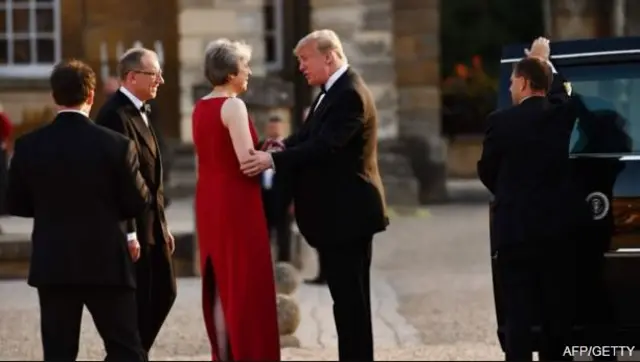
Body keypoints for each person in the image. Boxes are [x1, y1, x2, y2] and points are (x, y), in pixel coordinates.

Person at [240, 29, 388, 361]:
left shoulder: (349, 93)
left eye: (305, 59)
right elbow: (306, 136)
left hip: (348, 213)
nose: (302, 67)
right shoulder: (329, 92)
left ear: (329, 56)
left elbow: (326, 147)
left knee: (352, 302)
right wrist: (280, 146)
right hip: (337, 214)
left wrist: (272, 160)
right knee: (345, 301)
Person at [6, 59, 150, 361]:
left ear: (54, 95)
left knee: (59, 353)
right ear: (91, 95)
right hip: (106, 259)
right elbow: (137, 201)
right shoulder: (117, 145)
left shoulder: (29, 145)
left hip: (54, 261)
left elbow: (14, 203)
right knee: (126, 349)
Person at [477, 37, 579, 361]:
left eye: (511, 82)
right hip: (554, 232)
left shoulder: (500, 122)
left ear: (522, 82)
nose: (509, 89)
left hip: (515, 231)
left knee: (518, 318)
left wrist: (508, 190)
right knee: (555, 316)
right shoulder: (561, 114)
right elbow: (563, 90)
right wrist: (543, 61)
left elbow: (486, 170)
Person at [191, 38, 280, 361]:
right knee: (244, 283)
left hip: (209, 199)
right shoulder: (234, 105)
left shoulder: (200, 107)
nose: (249, 73)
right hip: (236, 201)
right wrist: (274, 153)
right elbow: (247, 161)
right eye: (245, 67)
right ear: (230, 73)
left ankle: (225, 356)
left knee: (220, 285)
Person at [96, 48, 177, 357]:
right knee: (141, 301)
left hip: (153, 223)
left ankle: (131, 355)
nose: (161, 79)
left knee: (164, 293)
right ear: (131, 77)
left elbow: (151, 176)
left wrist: (163, 225)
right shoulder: (114, 115)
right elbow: (117, 180)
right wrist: (129, 232)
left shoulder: (141, 109)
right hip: (133, 230)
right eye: (154, 74)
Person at [258, 115, 293, 263]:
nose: (273, 129)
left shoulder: (289, 147)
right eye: (271, 126)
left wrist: (293, 200)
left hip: (283, 197)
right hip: (264, 195)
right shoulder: (260, 146)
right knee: (263, 235)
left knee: (283, 235)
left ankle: (283, 266)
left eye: (276, 126)